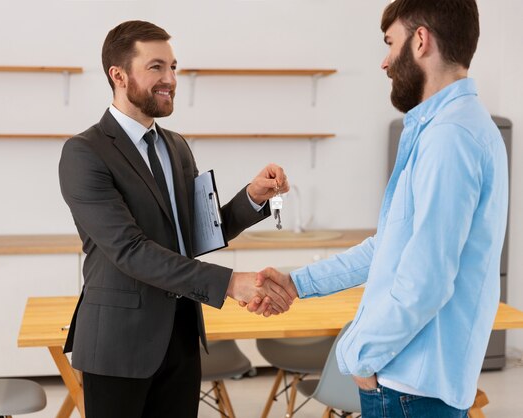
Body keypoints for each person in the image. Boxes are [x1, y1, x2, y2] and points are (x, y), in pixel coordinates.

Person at [252, 0, 508, 416]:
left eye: (391, 43)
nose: (385, 61)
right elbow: (388, 247)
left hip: (409, 385)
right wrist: (297, 283)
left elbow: (426, 280)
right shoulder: (451, 129)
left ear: (421, 41)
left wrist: (359, 355)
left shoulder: (450, 137)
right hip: (411, 382)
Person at [58, 20, 295, 418]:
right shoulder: (85, 152)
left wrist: (252, 198)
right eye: (156, 67)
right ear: (118, 75)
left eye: (173, 67)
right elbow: (131, 250)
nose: (170, 79)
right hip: (119, 345)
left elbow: (197, 233)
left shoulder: (176, 146)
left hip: (181, 334)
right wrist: (228, 282)